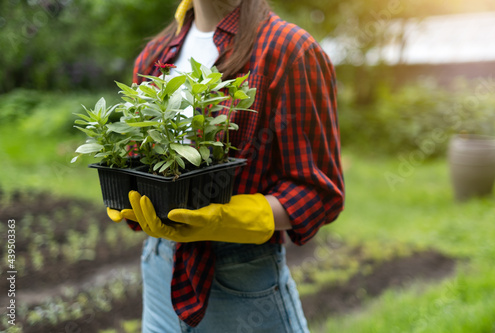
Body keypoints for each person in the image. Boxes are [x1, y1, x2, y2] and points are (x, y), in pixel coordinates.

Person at [107, 0, 344, 332]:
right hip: (161, 265)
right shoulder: (155, 56)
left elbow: (318, 192)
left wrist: (224, 218)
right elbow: (138, 157)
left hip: (242, 278)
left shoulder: (288, 50)